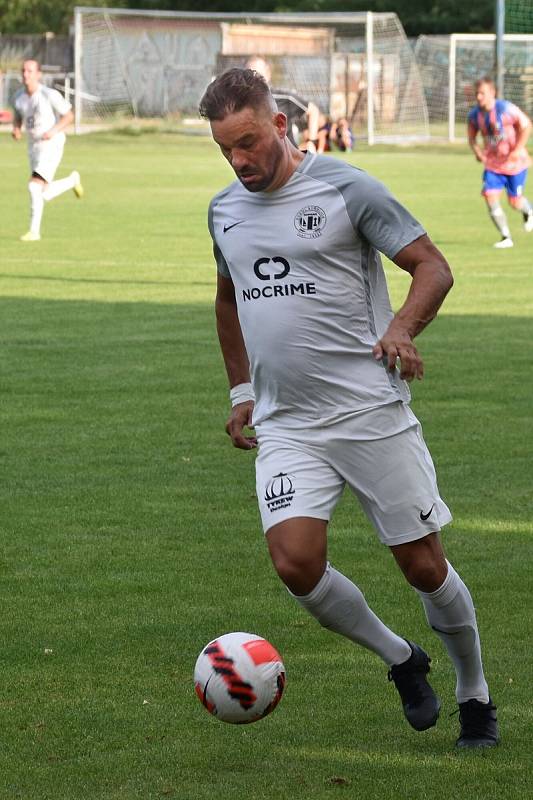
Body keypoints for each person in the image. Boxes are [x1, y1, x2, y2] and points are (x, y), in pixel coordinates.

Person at [199, 68, 499, 749]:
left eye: (248, 142)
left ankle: (473, 693)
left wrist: (399, 330)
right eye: (225, 150)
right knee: (294, 563)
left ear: (280, 125)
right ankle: (401, 659)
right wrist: (241, 391)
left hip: (368, 412)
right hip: (288, 425)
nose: (239, 161)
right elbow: (227, 298)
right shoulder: (222, 211)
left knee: (423, 565)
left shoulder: (346, 187)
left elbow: (432, 266)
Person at [12, 59, 83, 242]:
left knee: (34, 185)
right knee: (44, 192)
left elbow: (69, 115)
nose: (25, 74)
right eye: (23, 71)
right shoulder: (18, 97)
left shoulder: (48, 94)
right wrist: (16, 128)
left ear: (38, 74)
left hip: (52, 144)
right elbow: (18, 115)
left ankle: (34, 232)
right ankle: (72, 180)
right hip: (33, 146)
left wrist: (53, 131)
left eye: (29, 71)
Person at [467, 76, 533, 249]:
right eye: (477, 94)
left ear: (492, 93)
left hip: (514, 163)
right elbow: (471, 138)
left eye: (482, 93)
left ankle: (529, 210)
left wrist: (518, 149)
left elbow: (527, 125)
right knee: (489, 196)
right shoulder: (474, 115)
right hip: (493, 164)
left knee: (515, 202)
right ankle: (506, 237)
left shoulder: (505, 108)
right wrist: (478, 152)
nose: (479, 97)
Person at [245, 56, 320, 151]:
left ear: (268, 74)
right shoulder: (240, 104)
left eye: (258, 73)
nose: (254, 78)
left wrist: (311, 142)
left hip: (288, 162)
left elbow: (313, 111)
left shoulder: (285, 98)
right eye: (249, 74)